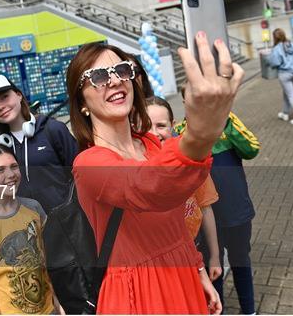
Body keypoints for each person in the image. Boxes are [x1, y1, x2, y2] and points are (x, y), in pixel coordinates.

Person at [66, 33, 244, 314]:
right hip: (138, 292)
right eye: (98, 76)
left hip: (181, 273)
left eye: (122, 70)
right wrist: (201, 132)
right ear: (82, 102)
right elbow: (150, 187)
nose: (115, 80)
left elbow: (175, 218)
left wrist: (197, 270)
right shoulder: (88, 164)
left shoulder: (149, 143)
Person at [176, 87, 260, 315]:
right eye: (192, 99)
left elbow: (252, 149)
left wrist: (224, 122)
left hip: (236, 211)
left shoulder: (227, 122)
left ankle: (249, 309)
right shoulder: (180, 133)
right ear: (184, 101)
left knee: (240, 259)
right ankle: (216, 309)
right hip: (202, 218)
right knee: (213, 267)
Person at [0, 143, 64, 315]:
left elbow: (46, 262)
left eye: (14, 166)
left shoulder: (34, 208)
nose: (10, 175)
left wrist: (58, 304)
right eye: (0, 170)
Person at [146, 96, 222, 282]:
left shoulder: (189, 160)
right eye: (147, 126)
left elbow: (205, 208)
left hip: (197, 245)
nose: (154, 133)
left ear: (173, 124)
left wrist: (215, 256)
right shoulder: (138, 167)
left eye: (161, 125)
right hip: (164, 259)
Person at [0, 73, 78, 213]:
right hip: (26, 227)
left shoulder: (53, 129)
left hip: (67, 222)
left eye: (4, 97)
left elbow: (80, 174)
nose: (0, 106)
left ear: (19, 95)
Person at [269, 28, 293, 126]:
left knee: (291, 95)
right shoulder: (291, 44)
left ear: (274, 37)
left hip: (284, 74)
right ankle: (285, 113)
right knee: (287, 93)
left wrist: (269, 61)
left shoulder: (277, 48)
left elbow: (275, 62)